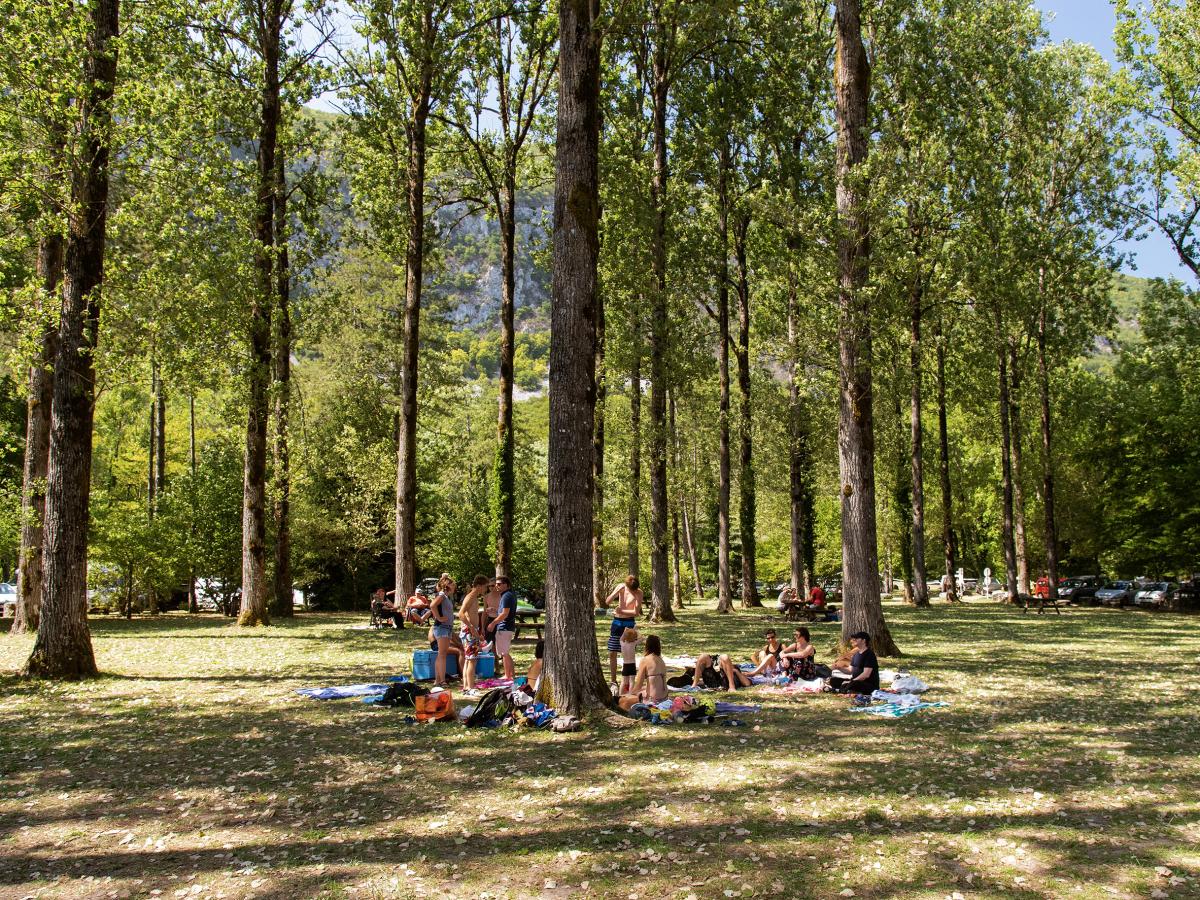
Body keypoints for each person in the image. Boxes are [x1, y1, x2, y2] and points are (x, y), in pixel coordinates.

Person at [602, 575, 643, 686]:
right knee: (612, 652)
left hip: (629, 624)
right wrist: (616, 593)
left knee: (628, 654)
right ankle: (613, 680)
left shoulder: (639, 593)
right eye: (631, 589)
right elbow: (607, 601)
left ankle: (628, 682)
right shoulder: (621, 587)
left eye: (634, 590)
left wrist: (621, 610)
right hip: (617, 623)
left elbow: (636, 612)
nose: (632, 591)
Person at [458, 575, 488, 691]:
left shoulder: (474, 597)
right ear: (479, 586)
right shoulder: (470, 596)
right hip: (468, 631)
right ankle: (470, 687)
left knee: (469, 659)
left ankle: (466, 686)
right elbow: (460, 614)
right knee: (472, 661)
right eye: (485, 587)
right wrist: (471, 627)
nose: (485, 590)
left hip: (470, 631)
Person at [487, 575, 518, 680]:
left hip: (504, 627)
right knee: (506, 653)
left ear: (507, 585)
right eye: (496, 584)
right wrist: (495, 610)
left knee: (504, 653)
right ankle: (511, 675)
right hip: (507, 627)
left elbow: (505, 614)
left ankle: (507, 676)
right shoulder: (509, 594)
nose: (497, 586)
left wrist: (493, 623)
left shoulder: (506, 596)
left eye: (499, 584)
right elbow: (505, 612)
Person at [430, 573, 457, 687]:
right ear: (447, 585)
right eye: (453, 584)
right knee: (442, 654)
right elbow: (432, 605)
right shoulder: (442, 595)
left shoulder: (446, 596)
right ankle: (442, 681)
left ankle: (438, 680)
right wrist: (439, 617)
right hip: (442, 627)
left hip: (447, 627)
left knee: (441, 654)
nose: (454, 587)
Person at [630, 634, 668, 703]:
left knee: (629, 697)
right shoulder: (661, 661)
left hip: (653, 699)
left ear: (647, 646)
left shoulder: (645, 660)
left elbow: (638, 685)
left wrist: (629, 694)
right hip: (665, 698)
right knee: (643, 689)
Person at [619, 626, 639, 695]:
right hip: (632, 664)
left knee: (624, 681)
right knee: (632, 681)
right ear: (634, 638)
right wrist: (636, 630)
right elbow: (641, 638)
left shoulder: (622, 644)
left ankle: (620, 695)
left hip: (625, 664)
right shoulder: (633, 644)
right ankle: (630, 695)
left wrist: (625, 631)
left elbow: (621, 638)